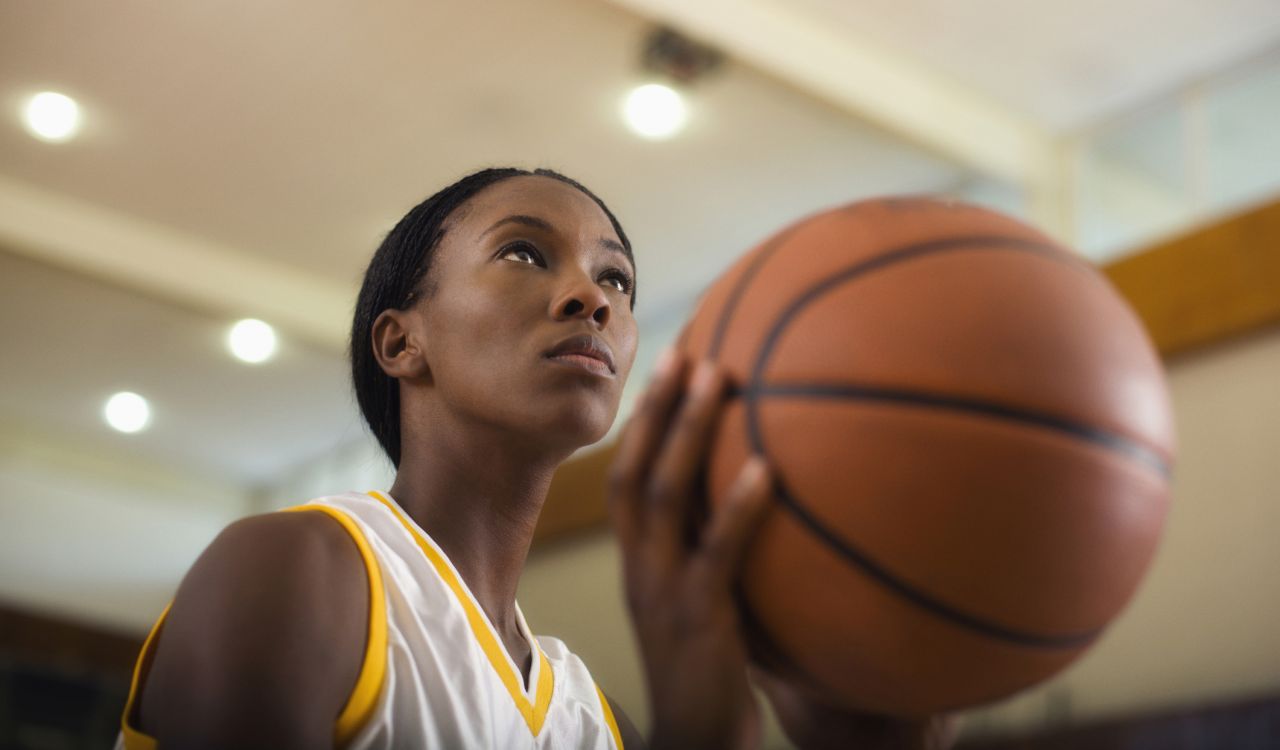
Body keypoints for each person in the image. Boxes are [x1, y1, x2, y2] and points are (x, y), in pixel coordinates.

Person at [115, 167, 953, 749]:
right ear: (403, 341)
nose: (593, 297)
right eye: (524, 251)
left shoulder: (600, 723)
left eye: (617, 280)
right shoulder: (296, 568)